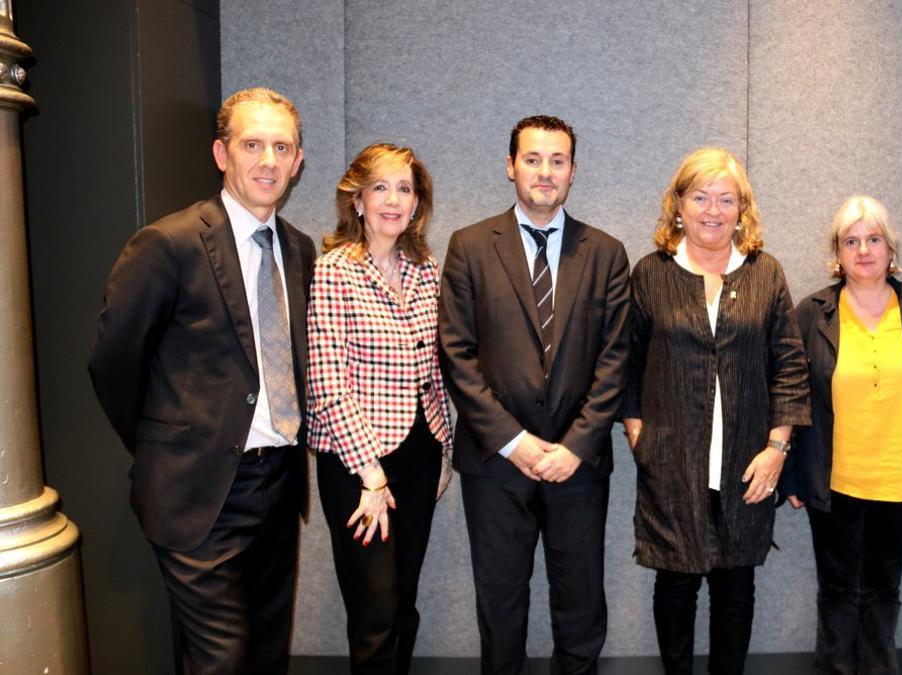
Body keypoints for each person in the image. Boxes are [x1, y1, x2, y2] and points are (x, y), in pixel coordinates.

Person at [88, 87, 315, 674]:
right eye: (252, 144)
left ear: (297, 161)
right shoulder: (168, 244)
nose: (268, 160)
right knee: (222, 662)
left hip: (278, 482)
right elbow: (113, 364)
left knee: (266, 654)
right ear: (221, 154)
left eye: (281, 146)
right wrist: (169, 446)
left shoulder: (298, 249)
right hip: (199, 493)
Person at [438, 114, 630, 675]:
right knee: (500, 605)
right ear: (510, 166)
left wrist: (575, 445)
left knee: (581, 604)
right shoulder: (470, 246)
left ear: (572, 172)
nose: (545, 173)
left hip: (580, 464)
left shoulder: (606, 253)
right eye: (532, 159)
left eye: (557, 161)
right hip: (495, 465)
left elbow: (615, 362)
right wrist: (513, 442)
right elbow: (457, 354)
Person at [621, 147, 809, 675]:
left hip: (747, 463)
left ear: (742, 209)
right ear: (678, 204)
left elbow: (790, 368)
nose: (712, 210)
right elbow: (628, 370)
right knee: (675, 584)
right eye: (700, 196)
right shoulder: (651, 274)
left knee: (736, 587)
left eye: (726, 199)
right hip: (672, 462)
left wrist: (776, 450)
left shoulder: (765, 273)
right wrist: (642, 442)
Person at [779, 196, 902, 675]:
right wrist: (793, 474)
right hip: (836, 481)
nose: (863, 250)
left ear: (890, 248)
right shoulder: (812, 313)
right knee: (838, 592)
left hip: (901, 481)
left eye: (873, 239)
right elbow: (791, 396)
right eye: (851, 241)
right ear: (836, 253)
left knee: (884, 591)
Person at [305, 143, 454, 673]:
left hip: (419, 450)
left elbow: (436, 372)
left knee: (404, 604)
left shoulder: (426, 269)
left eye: (405, 189)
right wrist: (371, 476)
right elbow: (326, 384)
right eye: (381, 187)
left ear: (417, 205)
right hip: (356, 464)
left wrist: (444, 454)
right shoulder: (334, 272)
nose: (394, 199)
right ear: (358, 199)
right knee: (375, 611)